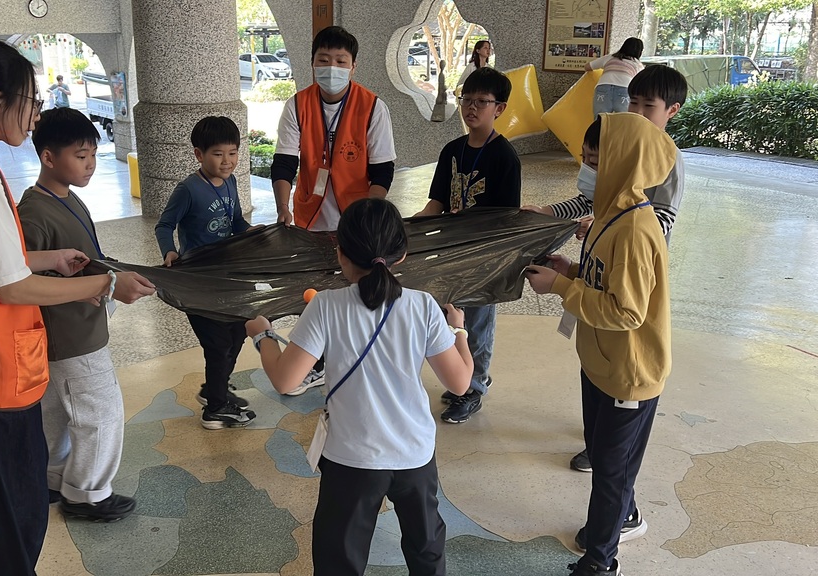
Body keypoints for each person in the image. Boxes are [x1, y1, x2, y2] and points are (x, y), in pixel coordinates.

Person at [0, 40, 155, 574]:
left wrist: (48, 258)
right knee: (18, 512)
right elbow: (10, 287)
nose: (35, 113)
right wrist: (105, 285)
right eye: (30, 100)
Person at [246, 198, 474, 576]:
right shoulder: (423, 306)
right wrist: (459, 330)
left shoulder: (325, 306)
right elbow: (461, 382)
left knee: (339, 560)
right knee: (426, 550)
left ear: (340, 254)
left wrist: (263, 335)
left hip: (351, 459)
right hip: (414, 454)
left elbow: (286, 380)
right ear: (402, 254)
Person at [525, 113, 676, 576]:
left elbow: (626, 312)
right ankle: (621, 515)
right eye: (584, 159)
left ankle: (600, 562)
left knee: (611, 471)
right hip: (600, 362)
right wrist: (569, 270)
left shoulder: (634, 230)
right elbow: (602, 281)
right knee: (608, 456)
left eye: (596, 162)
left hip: (628, 374)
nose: (586, 171)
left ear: (624, 166)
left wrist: (560, 288)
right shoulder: (610, 214)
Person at [522, 64, 688, 474]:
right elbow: (589, 199)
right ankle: (597, 443)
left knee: (620, 349)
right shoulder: (613, 144)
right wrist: (551, 213)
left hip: (631, 265)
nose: (637, 112)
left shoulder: (662, 164)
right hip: (604, 265)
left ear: (672, 110)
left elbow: (661, 220)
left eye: (648, 106)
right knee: (599, 359)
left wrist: (608, 227)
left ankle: (608, 455)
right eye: (633, 102)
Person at [16, 108, 136, 522]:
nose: (90, 165)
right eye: (81, 156)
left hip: (71, 333)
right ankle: (87, 494)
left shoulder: (65, 197)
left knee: (55, 411)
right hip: (71, 337)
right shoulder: (34, 213)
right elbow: (20, 279)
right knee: (100, 413)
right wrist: (97, 287)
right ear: (48, 157)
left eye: (94, 156)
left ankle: (52, 478)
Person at [271, 25, 396, 395]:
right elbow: (284, 163)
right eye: (324, 60)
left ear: (353, 66)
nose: (332, 68)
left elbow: (382, 171)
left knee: (357, 290)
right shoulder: (297, 105)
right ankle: (318, 362)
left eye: (341, 61)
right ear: (312, 63)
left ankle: (359, 356)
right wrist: (282, 207)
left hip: (356, 218)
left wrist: (368, 217)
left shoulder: (373, 107)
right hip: (310, 216)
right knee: (311, 292)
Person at [414, 67, 522, 424]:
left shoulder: (505, 157)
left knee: (477, 324)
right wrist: (411, 227)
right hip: (449, 253)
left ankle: (473, 387)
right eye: (466, 100)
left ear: (499, 108)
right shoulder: (452, 150)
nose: (472, 107)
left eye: (481, 102)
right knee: (450, 316)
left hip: (483, 258)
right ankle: (461, 376)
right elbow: (436, 203)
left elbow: (507, 218)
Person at [155, 116, 257, 430]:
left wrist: (254, 233)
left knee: (238, 331)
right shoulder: (188, 189)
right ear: (199, 154)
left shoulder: (231, 182)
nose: (227, 161)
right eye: (218, 154)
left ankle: (215, 388)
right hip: (197, 281)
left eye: (233, 153)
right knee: (217, 342)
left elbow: (236, 221)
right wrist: (169, 251)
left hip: (227, 277)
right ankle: (215, 409)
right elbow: (164, 225)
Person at [585, 37, 644, 117]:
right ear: (639, 51)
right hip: (625, 89)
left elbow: (587, 67)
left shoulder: (609, 57)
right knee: (623, 120)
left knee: (600, 119)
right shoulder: (638, 65)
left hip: (603, 87)